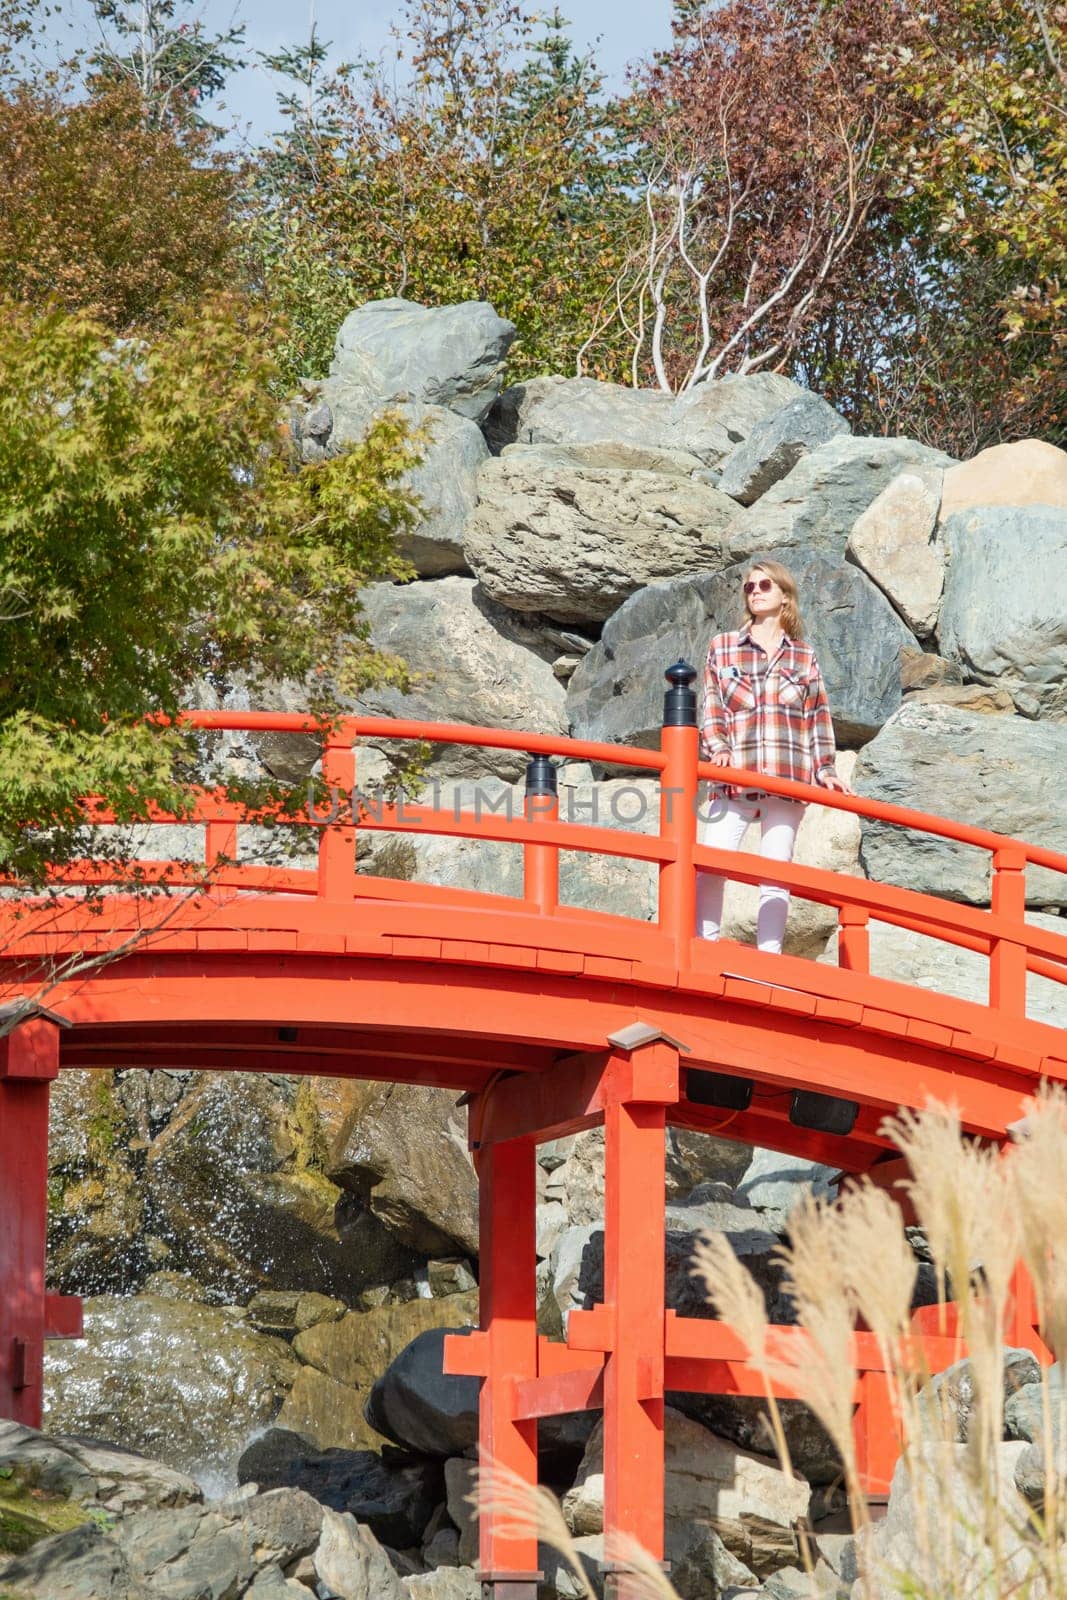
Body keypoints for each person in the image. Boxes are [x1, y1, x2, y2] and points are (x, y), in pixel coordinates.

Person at [696, 559, 852, 955]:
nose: (756, 592)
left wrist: (826, 769)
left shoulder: (803, 656)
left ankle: (770, 963)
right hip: (733, 776)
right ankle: (705, 949)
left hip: (786, 775)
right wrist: (720, 750)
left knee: (775, 872)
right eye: (749, 588)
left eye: (765, 585)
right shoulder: (723, 647)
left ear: (785, 595)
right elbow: (712, 708)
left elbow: (817, 716)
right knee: (711, 862)